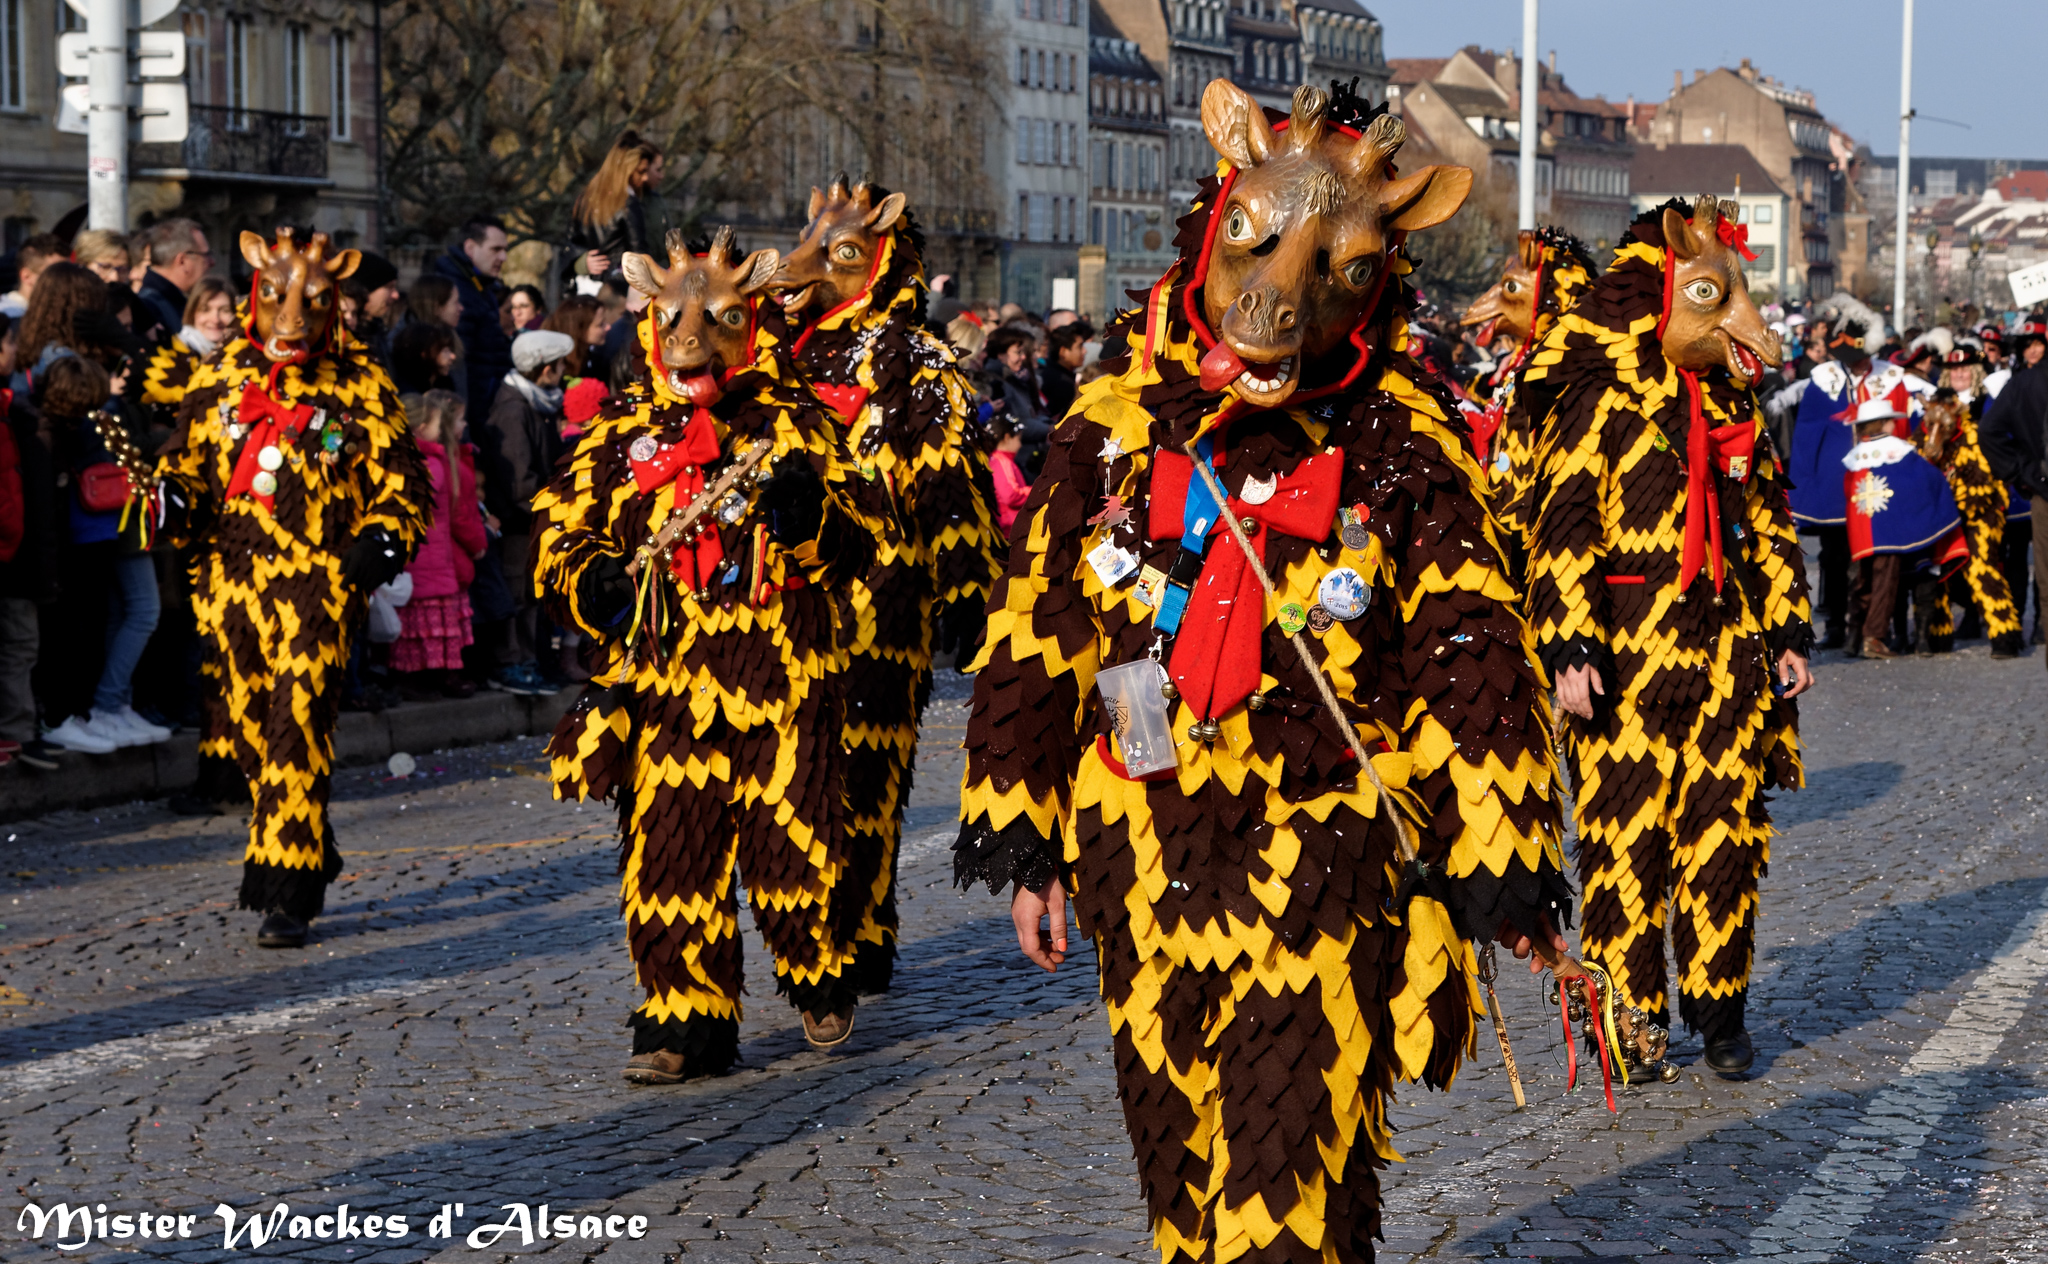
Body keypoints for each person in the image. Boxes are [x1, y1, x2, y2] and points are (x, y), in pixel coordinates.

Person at [959, 83, 1571, 1264]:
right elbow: (1036, 635)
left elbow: (1469, 650)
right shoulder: (1108, 426)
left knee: (1288, 1162)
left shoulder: (1403, 443)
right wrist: (1023, 840)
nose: (1277, 293)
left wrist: (1497, 859)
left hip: (1321, 859)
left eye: (1334, 268)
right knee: (1174, 1166)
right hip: (1140, 849)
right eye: (1257, 239)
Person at [533, 227, 885, 1081]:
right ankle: (684, 1019)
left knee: (793, 842)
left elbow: (860, 540)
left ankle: (817, 972)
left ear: (750, 324)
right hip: (668, 681)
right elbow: (562, 531)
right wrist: (594, 581)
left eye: (718, 319)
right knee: (670, 851)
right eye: (675, 319)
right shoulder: (623, 431)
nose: (691, 338)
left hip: (780, 674)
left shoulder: (797, 421)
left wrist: (810, 521)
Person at [1524, 195, 1813, 1077]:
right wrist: (1571, 646)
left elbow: (1766, 522)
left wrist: (1789, 626)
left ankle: (1722, 1015)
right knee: (1623, 850)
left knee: (1725, 839)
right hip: (1625, 663)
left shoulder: (1735, 405)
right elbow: (1563, 525)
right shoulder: (1599, 402)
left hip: (1727, 659)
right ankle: (1631, 1024)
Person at [155, 228, 431, 948]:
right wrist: (174, 499)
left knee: (297, 724)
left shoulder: (360, 382)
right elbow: (185, 463)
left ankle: (287, 891)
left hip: (318, 581)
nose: (291, 318)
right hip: (230, 582)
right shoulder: (217, 375)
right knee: (251, 734)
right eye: (276, 298)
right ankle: (309, 837)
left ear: (332, 301)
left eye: (309, 302)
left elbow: (403, 484)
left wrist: (380, 541)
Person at [765, 177, 1003, 995]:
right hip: (789, 598)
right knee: (795, 766)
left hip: (880, 592)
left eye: (838, 256)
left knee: (864, 769)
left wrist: (967, 590)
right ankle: (802, 920)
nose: (805, 270)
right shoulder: (775, 359)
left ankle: (858, 926)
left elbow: (949, 483)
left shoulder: (913, 361)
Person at [1785, 320, 1925, 650]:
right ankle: (1835, 624)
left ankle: (1868, 627)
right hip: (1835, 486)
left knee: (1874, 558)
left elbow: (1908, 424)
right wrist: (1804, 488)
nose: (1859, 362)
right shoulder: (1823, 381)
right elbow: (1806, 437)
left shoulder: (1889, 378)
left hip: (1880, 482)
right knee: (1834, 558)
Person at [479, 328, 574, 695]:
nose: (565, 370)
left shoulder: (536, 403)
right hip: (520, 519)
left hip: (532, 518)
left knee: (530, 596)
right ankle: (511, 662)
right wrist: (549, 506)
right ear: (545, 369)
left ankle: (529, 660)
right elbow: (519, 478)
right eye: (560, 365)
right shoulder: (513, 410)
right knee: (517, 594)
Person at [1842, 394, 1966, 657]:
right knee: (1885, 583)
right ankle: (1873, 637)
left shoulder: (1854, 457)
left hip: (1862, 529)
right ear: (1886, 423)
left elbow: (1847, 491)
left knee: (1862, 582)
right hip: (1890, 530)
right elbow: (1927, 480)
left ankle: (1852, 637)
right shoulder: (1899, 452)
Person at [1923, 350, 2026, 658]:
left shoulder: (1990, 400)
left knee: (1983, 566)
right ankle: (1938, 632)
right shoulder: (1934, 403)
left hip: (1984, 500)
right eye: (1954, 368)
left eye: (1965, 367)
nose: (1959, 373)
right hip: (1944, 504)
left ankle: (2005, 633)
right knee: (1939, 570)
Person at [392, 390, 487, 699]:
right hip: (431, 559)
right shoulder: (432, 463)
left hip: (426, 558)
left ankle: (423, 678)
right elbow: (459, 514)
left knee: (421, 626)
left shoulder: (416, 461)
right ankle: (429, 678)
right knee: (429, 623)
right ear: (420, 429)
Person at [1981, 321, 2048, 668]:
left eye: (2039, 343)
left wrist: (2020, 471)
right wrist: (2022, 470)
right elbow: (1990, 431)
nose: (2034, 351)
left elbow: (1989, 431)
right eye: (2028, 345)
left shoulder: (2020, 383)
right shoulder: (2021, 383)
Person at [429, 216, 513, 422]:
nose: (503, 257)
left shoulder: (481, 288)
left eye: (505, 250)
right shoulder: (459, 291)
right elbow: (462, 363)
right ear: (470, 248)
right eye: (495, 249)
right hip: (471, 412)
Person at [564, 130, 663, 290]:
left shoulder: (584, 198)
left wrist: (581, 261)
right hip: (616, 288)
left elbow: (569, 243)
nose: (644, 178)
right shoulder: (629, 203)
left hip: (584, 286)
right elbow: (639, 256)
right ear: (626, 168)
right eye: (641, 171)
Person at [136, 218, 212, 341]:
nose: (212, 262)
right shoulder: (149, 309)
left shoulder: (173, 301)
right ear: (183, 261)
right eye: (206, 256)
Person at [540, 295, 608, 378]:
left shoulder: (594, 359)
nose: (608, 327)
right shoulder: (558, 366)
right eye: (600, 325)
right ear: (579, 329)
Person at [2, 234, 67, 320]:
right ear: (26, 276)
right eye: (55, 274)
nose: (66, 281)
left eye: (69, 273)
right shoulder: (9, 317)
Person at [1039, 319, 1092, 423]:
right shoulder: (1061, 383)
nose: (1084, 351)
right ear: (1063, 352)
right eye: (1080, 346)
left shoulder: (1056, 374)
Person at [986, 410, 1029, 535]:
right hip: (1010, 528)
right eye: (1018, 439)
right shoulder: (1001, 462)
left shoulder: (996, 460)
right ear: (1007, 437)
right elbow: (1011, 495)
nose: (1020, 445)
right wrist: (1039, 491)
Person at [176, 278, 238, 359]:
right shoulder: (179, 353)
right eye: (205, 310)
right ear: (192, 313)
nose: (215, 320)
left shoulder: (246, 354)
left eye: (225, 310)